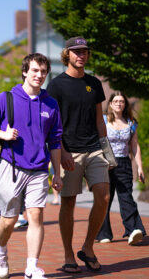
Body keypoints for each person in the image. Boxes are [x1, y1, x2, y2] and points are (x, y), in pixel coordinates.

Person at [0, 53, 63, 279]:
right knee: (9, 219)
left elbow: (55, 140)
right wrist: (2, 133)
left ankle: (32, 268)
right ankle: (1, 249)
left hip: (38, 170)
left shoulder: (51, 104)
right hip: (11, 167)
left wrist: (57, 173)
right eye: (35, 70)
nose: (39, 75)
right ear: (25, 71)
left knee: (36, 215)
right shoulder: (7, 98)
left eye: (43, 71)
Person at [47, 36, 110, 273]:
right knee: (68, 203)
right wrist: (61, 153)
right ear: (67, 55)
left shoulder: (94, 83)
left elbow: (99, 121)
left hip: (94, 149)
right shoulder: (56, 85)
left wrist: (108, 153)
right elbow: (52, 125)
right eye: (76, 52)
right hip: (69, 151)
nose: (80, 55)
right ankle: (68, 255)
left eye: (84, 51)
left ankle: (88, 247)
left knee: (103, 197)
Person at [96, 92, 146, 245]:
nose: (119, 103)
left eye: (122, 101)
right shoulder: (103, 121)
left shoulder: (131, 122)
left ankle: (133, 231)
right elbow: (97, 141)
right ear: (110, 104)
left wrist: (140, 167)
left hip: (124, 163)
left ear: (125, 104)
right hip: (106, 163)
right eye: (116, 101)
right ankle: (103, 233)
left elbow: (134, 145)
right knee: (105, 199)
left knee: (126, 197)